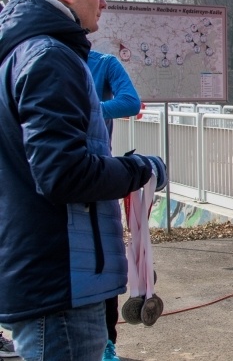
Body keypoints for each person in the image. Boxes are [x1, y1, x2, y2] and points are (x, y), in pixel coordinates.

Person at [0, 0, 167, 361]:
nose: (103, 1)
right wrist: (140, 170)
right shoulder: (49, 57)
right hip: (61, 281)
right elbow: (62, 174)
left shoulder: (21, 53)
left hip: (44, 270)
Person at [88, 42, 142, 361]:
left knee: (106, 263)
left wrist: (90, 108)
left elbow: (129, 101)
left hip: (96, 174)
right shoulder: (31, 58)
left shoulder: (103, 63)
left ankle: (108, 342)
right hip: (49, 178)